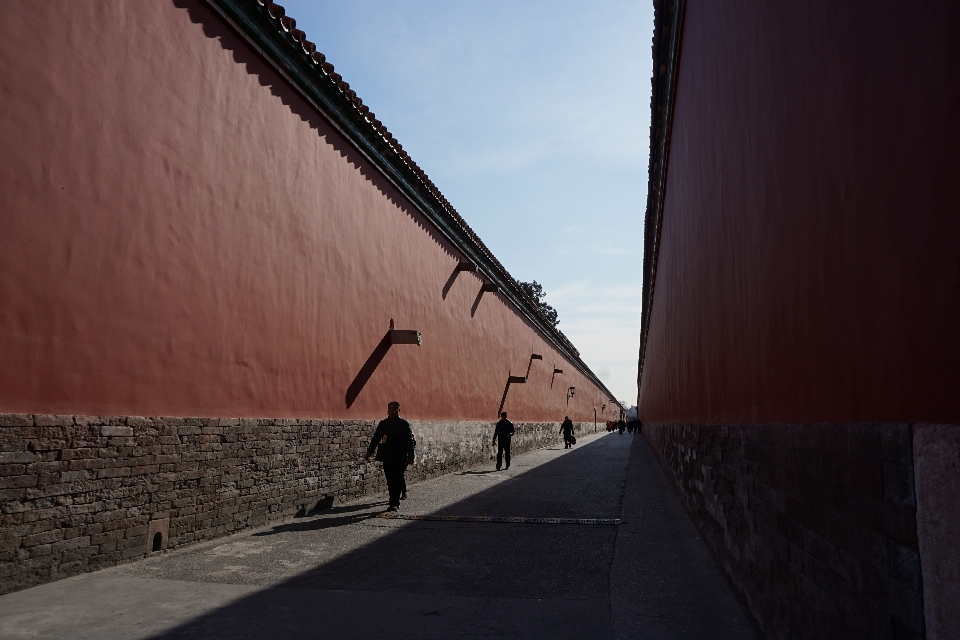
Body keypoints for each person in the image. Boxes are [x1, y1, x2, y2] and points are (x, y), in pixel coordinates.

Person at [365, 401, 415, 512]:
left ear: (398, 410)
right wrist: (369, 451)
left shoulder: (403, 424)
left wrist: (411, 456)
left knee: (396, 479)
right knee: (390, 480)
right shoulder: (383, 424)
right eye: (390, 408)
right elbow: (376, 438)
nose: (391, 411)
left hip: (400, 457)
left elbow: (409, 442)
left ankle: (394, 504)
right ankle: (393, 501)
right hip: (387, 456)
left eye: (394, 408)